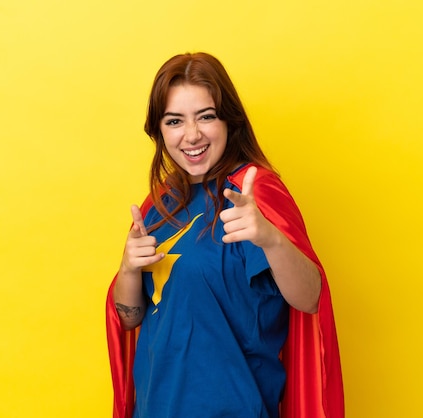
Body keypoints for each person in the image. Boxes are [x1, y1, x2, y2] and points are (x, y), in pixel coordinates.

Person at [106, 52, 344, 418]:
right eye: (174, 121)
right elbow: (131, 319)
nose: (192, 134)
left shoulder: (253, 192)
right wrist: (127, 269)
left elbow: (311, 298)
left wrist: (270, 239)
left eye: (206, 116)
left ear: (229, 121)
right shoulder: (159, 205)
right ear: (159, 130)